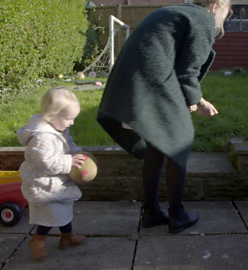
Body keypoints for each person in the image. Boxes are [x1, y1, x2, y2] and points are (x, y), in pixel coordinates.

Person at [97, 0, 230, 234]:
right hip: (150, 79)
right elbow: (187, 72)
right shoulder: (203, 19)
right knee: (180, 141)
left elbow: (170, 58)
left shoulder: (179, 12)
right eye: (226, 12)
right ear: (217, 5)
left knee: (157, 143)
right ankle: (177, 215)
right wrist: (198, 101)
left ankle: (151, 212)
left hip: (132, 78)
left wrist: (184, 98)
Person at [17, 86, 87, 258]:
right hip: (43, 183)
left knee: (64, 208)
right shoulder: (41, 138)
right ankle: (38, 239)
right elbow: (47, 162)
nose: (71, 123)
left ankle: (67, 237)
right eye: (69, 119)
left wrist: (76, 153)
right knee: (50, 214)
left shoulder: (59, 126)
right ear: (51, 115)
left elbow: (67, 143)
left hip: (56, 182)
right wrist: (69, 162)